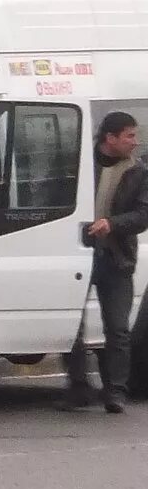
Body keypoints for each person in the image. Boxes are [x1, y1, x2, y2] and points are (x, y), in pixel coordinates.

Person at [75, 111, 148, 413]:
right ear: (110, 138)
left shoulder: (138, 171)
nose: (135, 142)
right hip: (77, 254)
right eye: (129, 136)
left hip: (115, 257)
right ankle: (77, 387)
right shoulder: (81, 161)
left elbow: (143, 215)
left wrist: (112, 224)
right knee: (73, 325)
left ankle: (116, 391)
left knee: (118, 327)